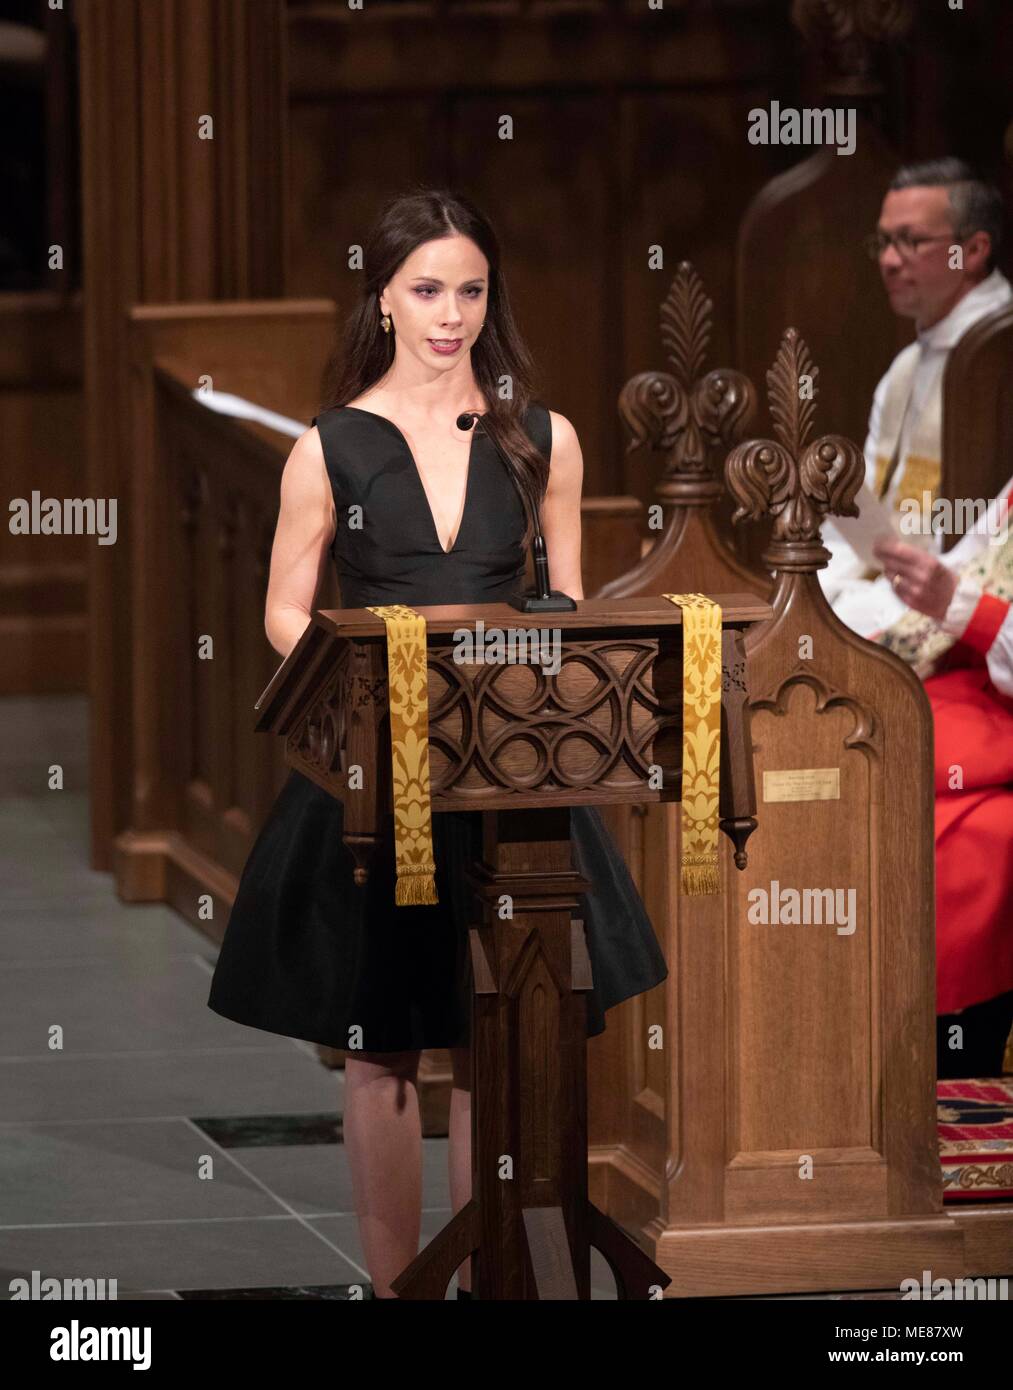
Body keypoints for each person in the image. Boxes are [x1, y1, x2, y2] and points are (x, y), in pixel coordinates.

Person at [206, 187, 668, 1299]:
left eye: (469, 290)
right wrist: (363, 660)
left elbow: (563, 594)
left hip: (507, 763)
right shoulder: (328, 447)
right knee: (380, 1046)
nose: (450, 313)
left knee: (493, 1043)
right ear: (382, 298)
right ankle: (394, 1283)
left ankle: (490, 1277)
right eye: (426, 290)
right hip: (381, 758)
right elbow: (280, 608)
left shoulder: (539, 438)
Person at [818, 159, 1013, 1079]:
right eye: (882, 240)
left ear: (972, 251)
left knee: (911, 785)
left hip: (972, 666)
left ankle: (936, 1060)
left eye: (911, 240)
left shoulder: (991, 353)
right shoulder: (908, 365)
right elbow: (880, 517)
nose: (890, 259)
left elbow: (967, 577)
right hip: (919, 620)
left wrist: (948, 603)